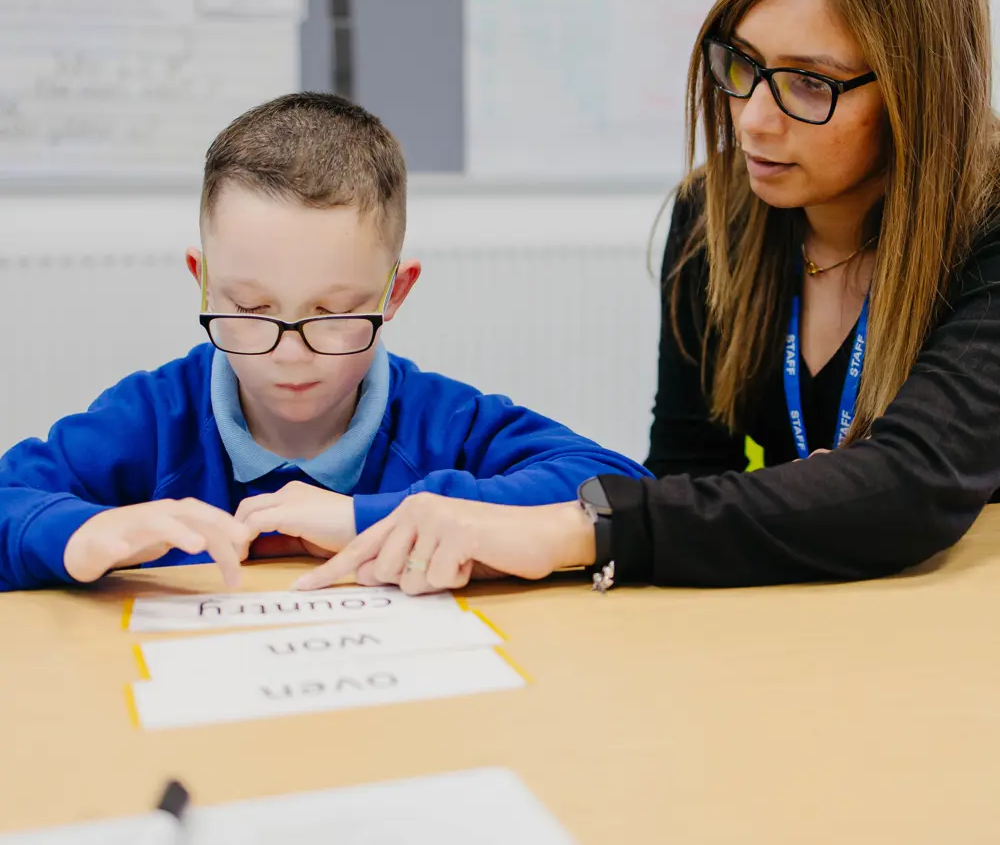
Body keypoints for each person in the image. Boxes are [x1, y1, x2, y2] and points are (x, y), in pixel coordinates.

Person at [291, 0, 1000, 596]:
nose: (753, 119)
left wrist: (578, 529)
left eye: (811, 84)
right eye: (743, 64)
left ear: (919, 93)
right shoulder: (713, 217)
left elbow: (910, 485)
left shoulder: (988, 225)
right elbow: (691, 473)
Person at [0, 94, 650, 592]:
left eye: (334, 312)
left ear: (394, 294)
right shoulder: (152, 418)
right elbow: (12, 501)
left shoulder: (443, 422)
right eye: (250, 308)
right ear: (204, 284)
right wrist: (78, 533)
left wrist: (372, 517)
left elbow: (623, 490)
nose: (290, 353)